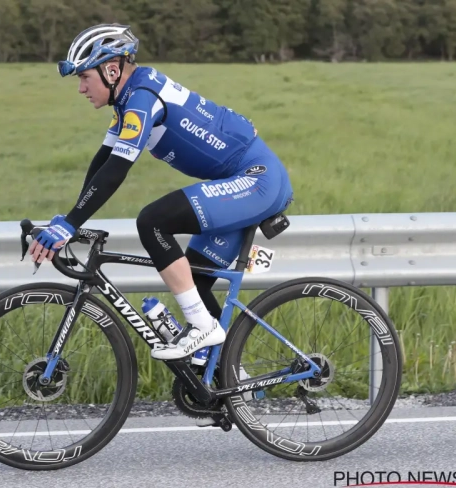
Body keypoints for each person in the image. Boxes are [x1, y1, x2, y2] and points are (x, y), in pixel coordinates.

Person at [29, 23, 293, 362]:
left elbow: (116, 172)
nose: (81, 88)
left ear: (111, 70)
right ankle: (227, 380)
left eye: (84, 77)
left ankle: (203, 328)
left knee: (153, 221)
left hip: (257, 180)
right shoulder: (128, 100)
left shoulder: (142, 99)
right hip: (242, 182)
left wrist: (69, 224)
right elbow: (103, 163)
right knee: (194, 285)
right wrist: (70, 218)